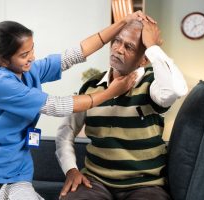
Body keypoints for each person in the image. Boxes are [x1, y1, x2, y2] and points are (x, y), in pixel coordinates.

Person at [0, 11, 152, 200]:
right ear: (3, 60)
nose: (32, 57)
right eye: (24, 55)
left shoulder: (29, 70)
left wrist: (123, 21)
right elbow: (56, 105)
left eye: (32, 50)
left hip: (16, 171)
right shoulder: (2, 83)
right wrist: (110, 92)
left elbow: (75, 54)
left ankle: (4, 192)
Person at [55, 17, 188, 200]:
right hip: (94, 182)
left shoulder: (152, 85)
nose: (118, 49)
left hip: (145, 185)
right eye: (117, 41)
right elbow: (66, 132)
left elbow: (176, 89)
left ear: (143, 60)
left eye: (129, 47)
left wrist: (152, 47)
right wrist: (71, 169)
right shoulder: (91, 87)